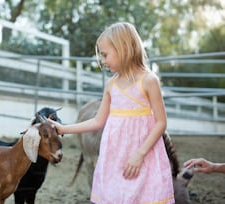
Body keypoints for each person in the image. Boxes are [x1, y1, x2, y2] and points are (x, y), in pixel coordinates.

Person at [51, 22, 174, 204]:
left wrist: (140, 154)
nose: (102, 60)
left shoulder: (149, 81)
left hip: (143, 157)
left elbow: (161, 123)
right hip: (115, 158)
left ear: (123, 48)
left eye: (105, 54)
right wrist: (64, 129)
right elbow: (98, 121)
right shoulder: (111, 85)